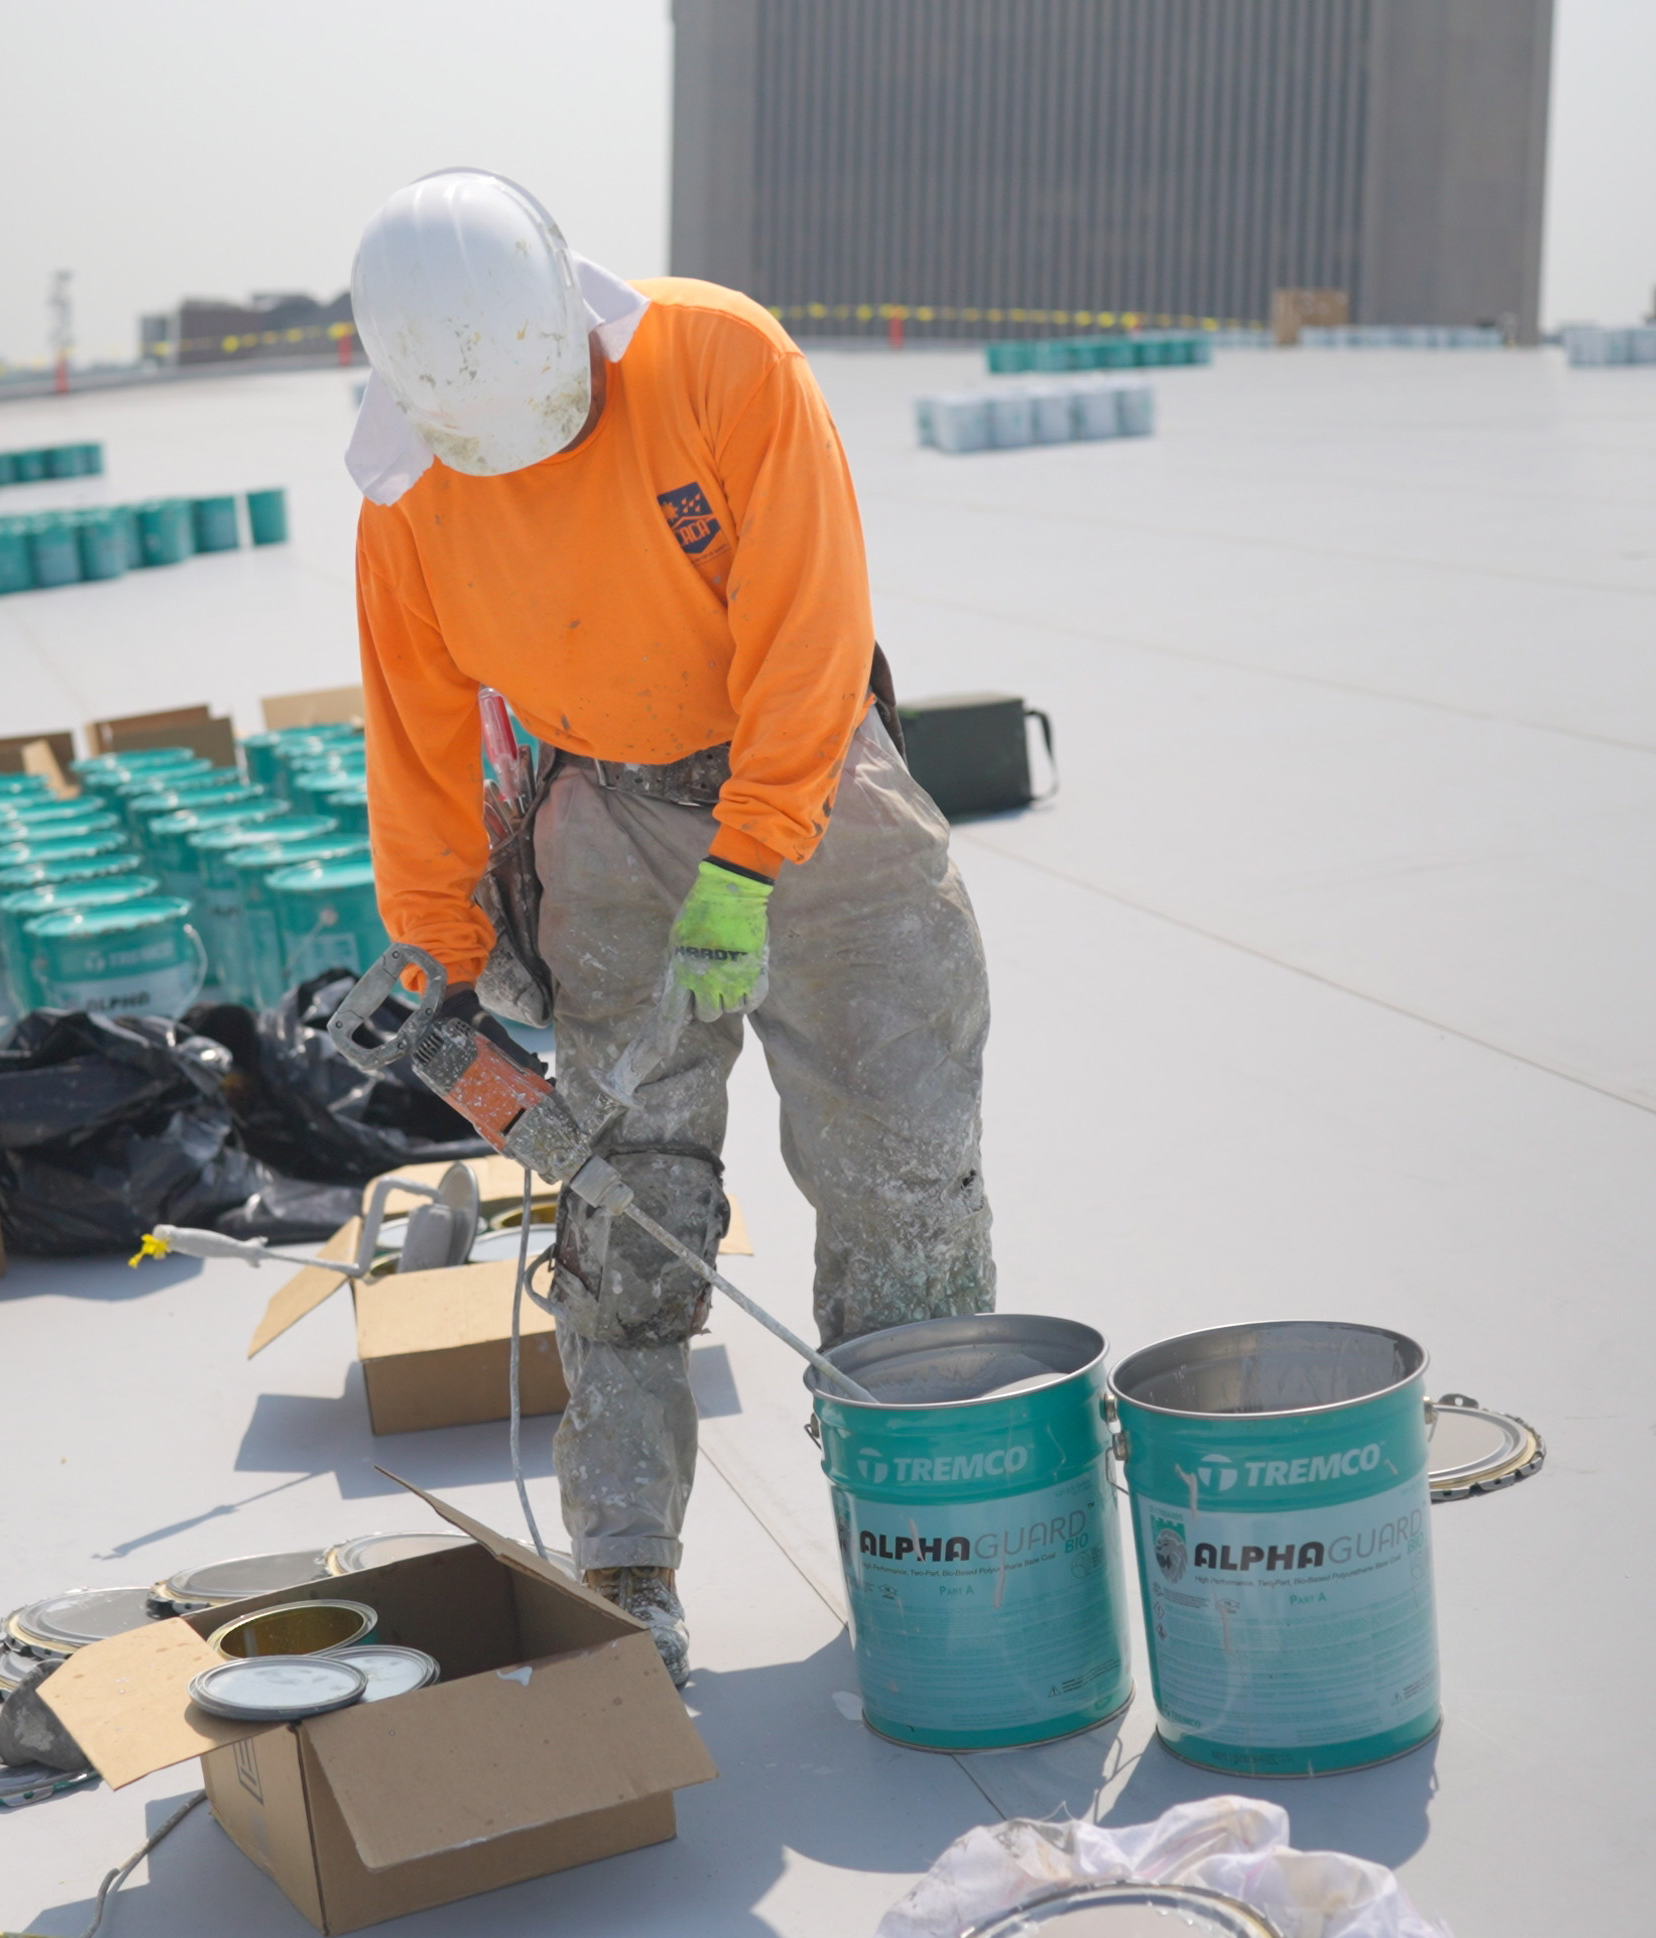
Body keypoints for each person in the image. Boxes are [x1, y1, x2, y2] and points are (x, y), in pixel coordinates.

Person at [345, 170, 995, 1683]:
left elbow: (809, 621)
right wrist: (437, 953)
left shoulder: (720, 363)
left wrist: (753, 852)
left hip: (815, 783)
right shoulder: (406, 501)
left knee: (900, 1177)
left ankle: (933, 1535)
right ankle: (627, 1567)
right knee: (622, 1200)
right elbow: (418, 736)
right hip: (609, 824)